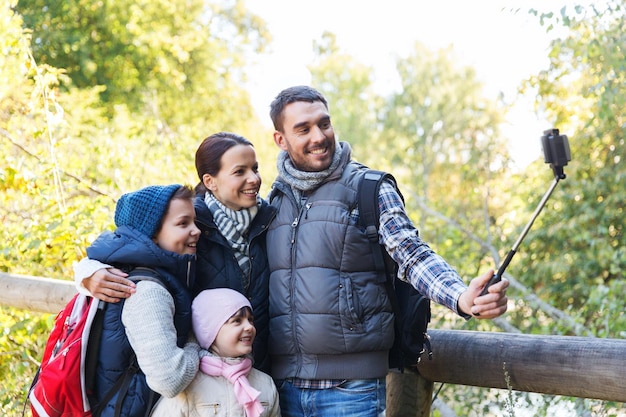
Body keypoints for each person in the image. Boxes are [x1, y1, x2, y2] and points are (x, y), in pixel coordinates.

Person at [265, 85, 509, 417]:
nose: (319, 136)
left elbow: (411, 253)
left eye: (324, 123)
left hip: (351, 391)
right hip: (283, 391)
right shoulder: (273, 201)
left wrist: (461, 297)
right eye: (303, 129)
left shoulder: (367, 187)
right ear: (281, 139)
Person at [74, 132, 276, 372]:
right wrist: (89, 274)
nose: (253, 179)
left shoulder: (270, 219)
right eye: (239, 172)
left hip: (261, 367)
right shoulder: (190, 222)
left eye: (255, 168)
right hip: (203, 373)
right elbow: (128, 244)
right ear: (210, 181)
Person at [84, 184, 202, 416]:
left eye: (194, 222)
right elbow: (169, 378)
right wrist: (196, 341)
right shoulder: (147, 291)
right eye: (183, 223)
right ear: (153, 233)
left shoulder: (140, 271)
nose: (196, 230)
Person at [150, 288, 280, 417]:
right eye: (237, 321)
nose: (249, 327)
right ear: (211, 331)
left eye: (250, 320)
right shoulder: (188, 388)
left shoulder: (265, 383)